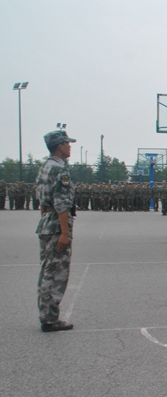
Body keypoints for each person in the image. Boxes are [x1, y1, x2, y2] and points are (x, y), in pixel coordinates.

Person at [35, 129, 77, 332]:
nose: (69, 147)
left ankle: (46, 314)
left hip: (46, 223)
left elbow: (42, 202)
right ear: (60, 146)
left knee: (47, 270)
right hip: (57, 225)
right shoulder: (60, 169)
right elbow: (61, 203)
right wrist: (64, 233)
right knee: (56, 272)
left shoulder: (45, 166)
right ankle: (50, 318)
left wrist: (47, 221)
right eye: (67, 143)